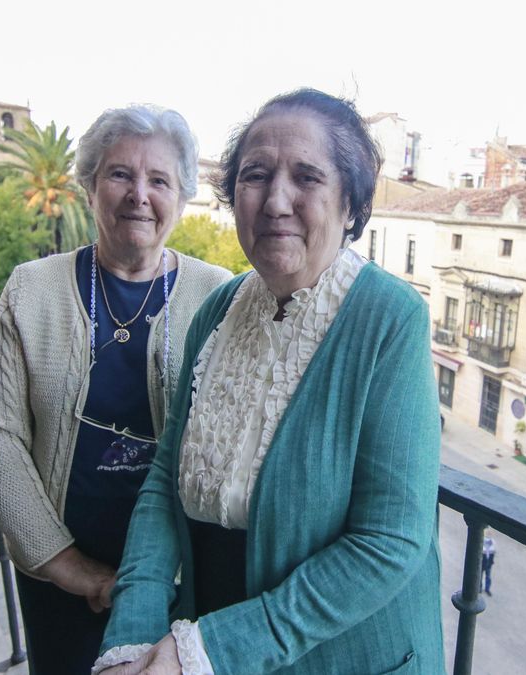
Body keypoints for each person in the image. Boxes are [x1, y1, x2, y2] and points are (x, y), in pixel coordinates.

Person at [93, 89, 443, 674]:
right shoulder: (220, 309)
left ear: (351, 206)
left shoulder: (390, 319)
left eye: (307, 177)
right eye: (255, 176)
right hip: (208, 637)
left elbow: (390, 542)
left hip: (337, 656)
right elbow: (164, 475)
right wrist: (134, 629)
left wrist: (209, 650)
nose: (276, 200)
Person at [0, 104, 231, 674]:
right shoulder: (31, 290)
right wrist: (66, 565)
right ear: (90, 186)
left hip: (178, 582)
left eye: (159, 179)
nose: (140, 193)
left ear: (181, 197)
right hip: (57, 577)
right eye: (120, 174)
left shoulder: (220, 297)